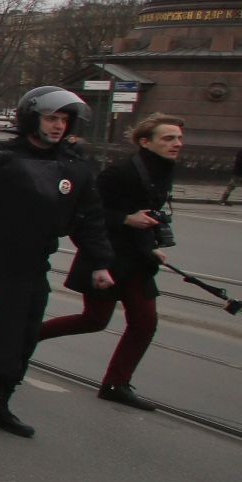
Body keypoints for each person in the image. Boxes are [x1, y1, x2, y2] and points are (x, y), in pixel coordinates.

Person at [0, 87, 115, 440]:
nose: (58, 126)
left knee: (24, 336)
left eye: (64, 120)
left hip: (34, 264)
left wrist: (100, 262)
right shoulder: (0, 158)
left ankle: (0, 402)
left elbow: (90, 217)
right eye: (51, 118)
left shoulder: (74, 165)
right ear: (32, 118)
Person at [37, 113, 184, 411]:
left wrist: (151, 246)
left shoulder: (163, 170)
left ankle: (116, 383)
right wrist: (126, 219)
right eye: (168, 138)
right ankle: (26, 338)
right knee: (94, 320)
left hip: (137, 259)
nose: (176, 144)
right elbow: (85, 213)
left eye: (179, 138)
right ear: (145, 142)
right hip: (106, 256)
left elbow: (146, 213)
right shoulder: (121, 172)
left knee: (144, 323)